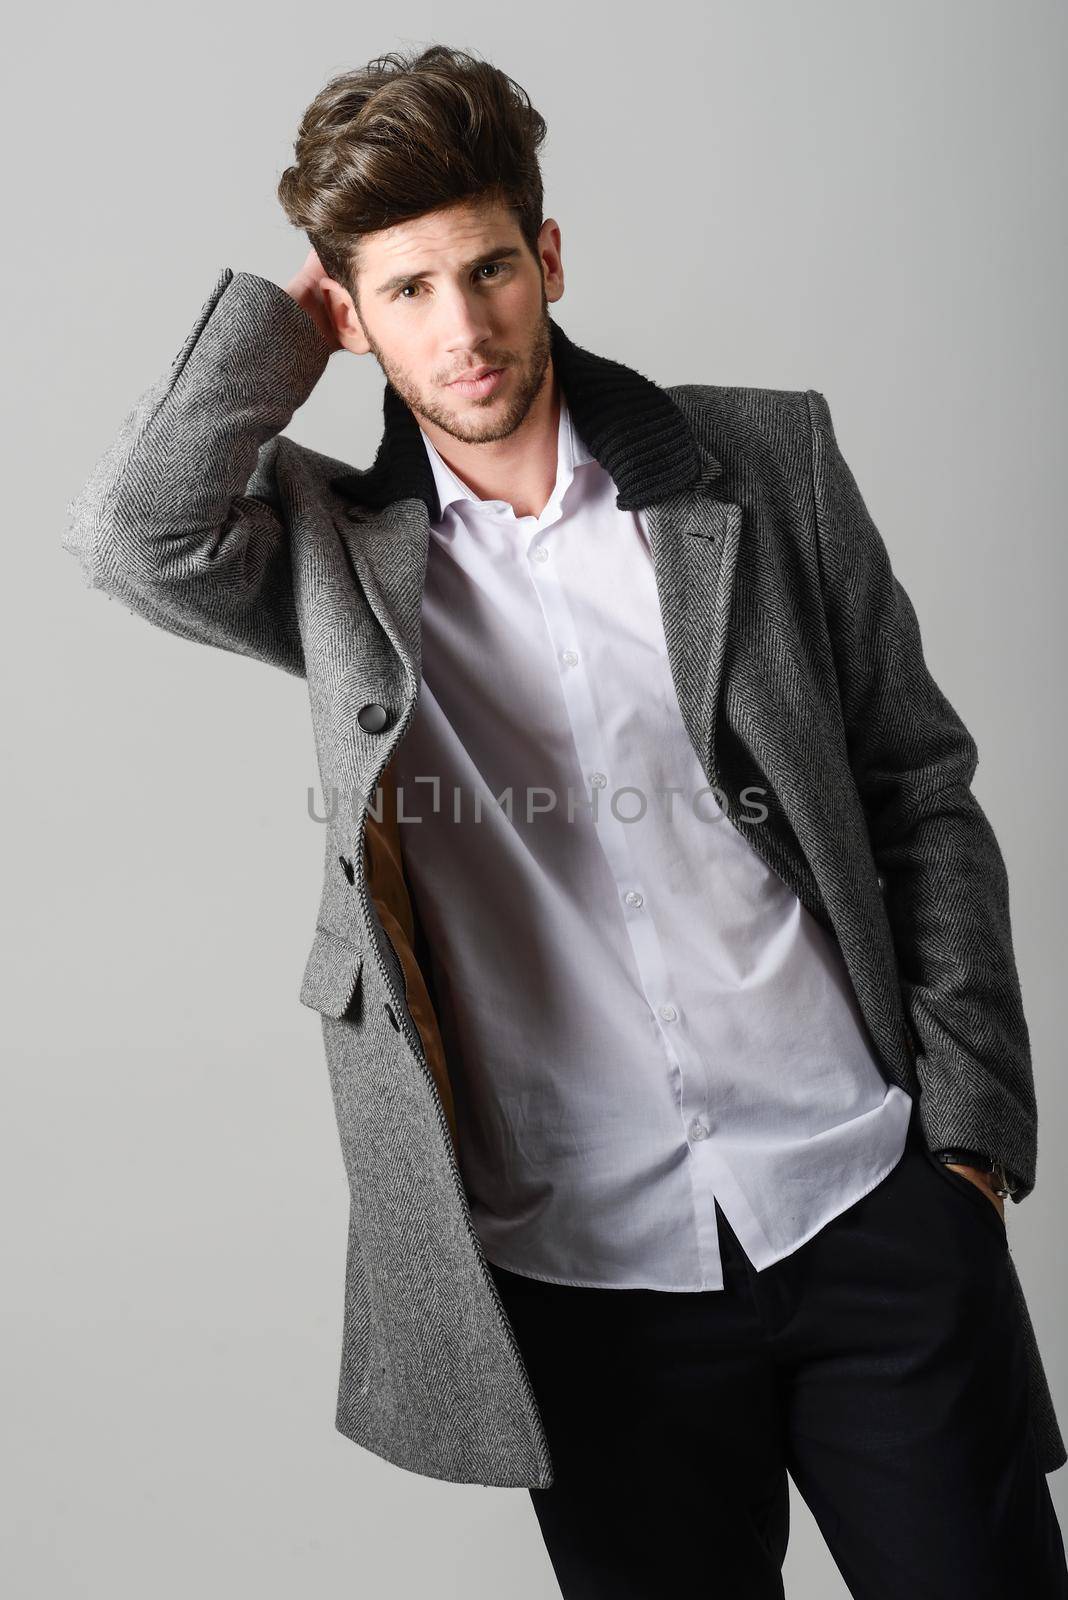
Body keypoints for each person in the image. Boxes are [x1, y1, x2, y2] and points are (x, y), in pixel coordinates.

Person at [63, 42, 1066, 1598]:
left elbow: (917, 790)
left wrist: (972, 1147)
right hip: (584, 1281)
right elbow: (138, 537)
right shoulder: (338, 559)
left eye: (485, 270)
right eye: (403, 293)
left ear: (546, 254)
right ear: (354, 315)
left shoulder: (764, 460)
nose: (461, 330)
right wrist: (277, 336)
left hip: (866, 1206)